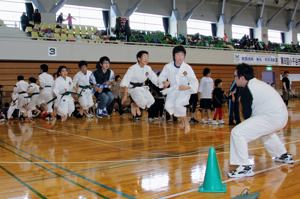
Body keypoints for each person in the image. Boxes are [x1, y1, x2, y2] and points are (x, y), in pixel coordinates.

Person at [228, 63, 294, 178]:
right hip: (282, 116)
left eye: (235, 76)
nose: (234, 79)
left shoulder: (247, 89)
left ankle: (244, 167)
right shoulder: (258, 83)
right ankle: (282, 155)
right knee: (265, 132)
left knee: (237, 132)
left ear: (242, 77)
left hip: (272, 117)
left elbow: (247, 115)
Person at [158, 45, 198, 133]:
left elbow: (194, 81)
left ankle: (186, 122)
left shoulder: (187, 68)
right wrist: (165, 82)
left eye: (182, 55)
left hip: (184, 91)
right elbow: (161, 78)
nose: (180, 57)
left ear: (184, 56)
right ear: (174, 56)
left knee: (178, 105)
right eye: (178, 55)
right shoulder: (168, 67)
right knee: (168, 106)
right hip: (173, 90)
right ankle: (182, 120)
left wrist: (188, 87)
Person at [121, 51, 158, 120]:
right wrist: (125, 95)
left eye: (147, 57)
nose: (146, 59)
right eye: (144, 57)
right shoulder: (132, 68)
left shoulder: (148, 68)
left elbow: (155, 79)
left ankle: (135, 104)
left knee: (151, 101)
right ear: (139, 58)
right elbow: (126, 81)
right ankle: (134, 104)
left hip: (142, 87)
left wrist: (162, 83)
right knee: (143, 102)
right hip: (133, 89)